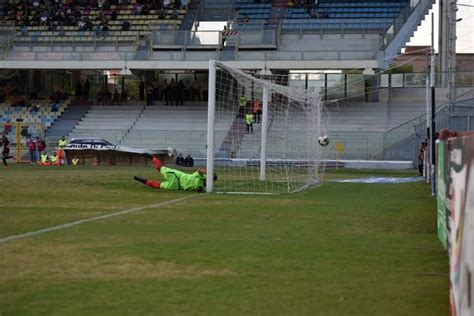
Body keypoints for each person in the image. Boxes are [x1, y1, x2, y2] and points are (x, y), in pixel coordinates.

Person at [134, 155, 217, 192]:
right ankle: (152, 157)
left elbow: (199, 189)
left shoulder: (202, 186)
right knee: (160, 168)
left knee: (158, 185)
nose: (209, 181)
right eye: (210, 179)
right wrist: (207, 171)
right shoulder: (202, 176)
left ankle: (143, 181)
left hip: (176, 186)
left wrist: (200, 189)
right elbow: (200, 170)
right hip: (177, 176)